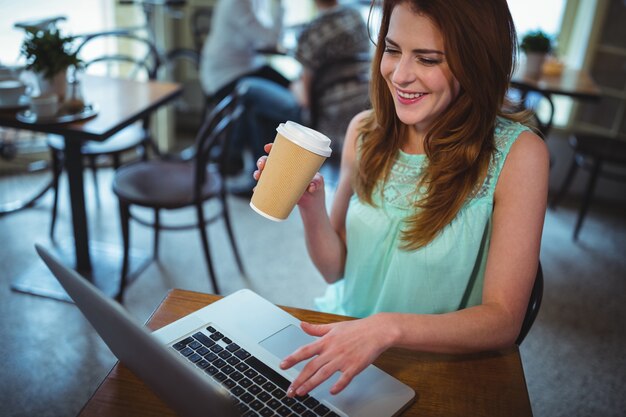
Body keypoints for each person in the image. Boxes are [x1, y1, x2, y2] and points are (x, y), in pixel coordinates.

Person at [253, 0, 550, 398]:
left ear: (477, 62)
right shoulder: (364, 130)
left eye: (427, 59)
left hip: (434, 360)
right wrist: (310, 207)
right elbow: (334, 270)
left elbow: (503, 320)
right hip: (346, 336)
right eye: (392, 50)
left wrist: (385, 327)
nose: (400, 75)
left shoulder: (519, 156)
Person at [228, 0, 370, 191]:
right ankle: (256, 175)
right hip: (362, 105)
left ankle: (235, 160)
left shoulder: (313, 31)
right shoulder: (355, 16)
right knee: (256, 109)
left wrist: (294, 85)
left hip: (326, 114)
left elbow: (304, 99)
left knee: (248, 88)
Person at [199, 0, 291, 108]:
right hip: (225, 78)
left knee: (291, 87)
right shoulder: (236, 3)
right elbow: (272, 39)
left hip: (250, 67)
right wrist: (279, 3)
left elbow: (265, 36)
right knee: (287, 100)